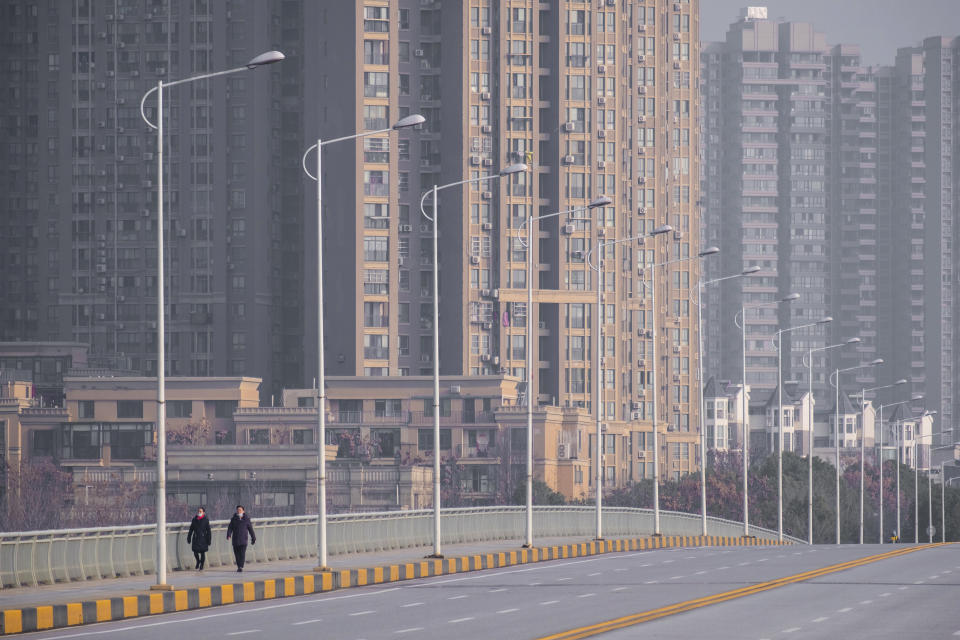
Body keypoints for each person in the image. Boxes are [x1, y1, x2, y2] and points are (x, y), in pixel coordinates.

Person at [226, 505, 256, 572]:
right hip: (235, 540)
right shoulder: (233, 519)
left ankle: (240, 566)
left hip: (243, 540)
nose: (238, 511)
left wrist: (253, 538)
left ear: (243, 511)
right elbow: (230, 528)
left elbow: (250, 529)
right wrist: (228, 535)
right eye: (238, 510)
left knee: (242, 554)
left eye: (240, 510)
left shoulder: (246, 519)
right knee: (237, 554)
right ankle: (239, 566)